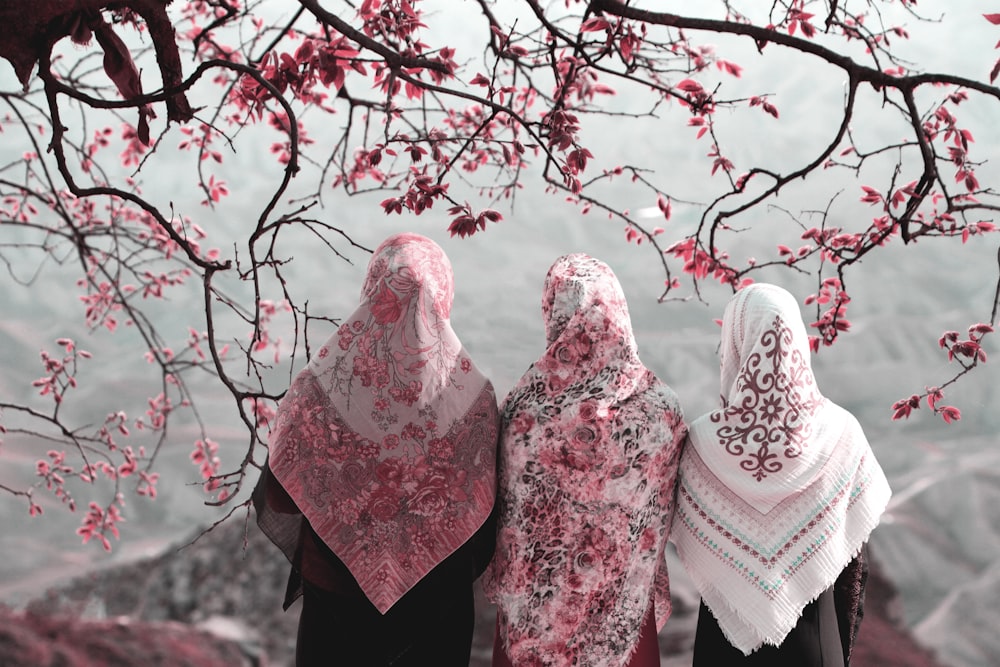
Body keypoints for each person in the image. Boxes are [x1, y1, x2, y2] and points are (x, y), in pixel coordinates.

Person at [253, 232, 500, 666]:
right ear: (444, 295)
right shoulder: (474, 399)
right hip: (437, 620)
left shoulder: (318, 387)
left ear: (372, 287)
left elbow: (278, 496)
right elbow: (484, 519)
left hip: (335, 616)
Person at [671, 282, 892, 666]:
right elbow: (855, 568)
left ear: (736, 344)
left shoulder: (701, 441)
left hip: (723, 647)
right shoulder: (842, 432)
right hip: (817, 642)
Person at [483, 253, 687, 667]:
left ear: (553, 313)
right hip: (626, 637)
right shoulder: (660, 409)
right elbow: (661, 517)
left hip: (531, 635)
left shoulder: (524, 408)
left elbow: (507, 520)